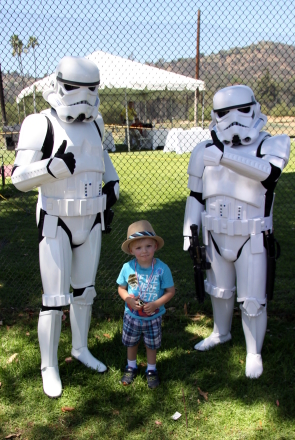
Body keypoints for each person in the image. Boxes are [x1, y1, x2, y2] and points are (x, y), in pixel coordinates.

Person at [11, 56, 120, 398]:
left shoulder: (97, 124)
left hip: (90, 219)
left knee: (85, 292)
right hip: (56, 220)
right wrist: (52, 168)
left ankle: (80, 348)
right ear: (59, 85)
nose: (84, 96)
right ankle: (49, 365)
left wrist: (112, 186)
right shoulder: (39, 123)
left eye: (91, 89)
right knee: (54, 299)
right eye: (76, 88)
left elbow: (103, 161)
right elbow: (18, 178)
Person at [183, 85, 290, 379]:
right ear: (215, 116)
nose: (233, 119)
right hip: (214, 234)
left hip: (252, 237)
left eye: (241, 110)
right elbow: (195, 194)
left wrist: (225, 156)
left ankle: (253, 352)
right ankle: (221, 332)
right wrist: (188, 231)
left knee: (253, 300)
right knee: (219, 290)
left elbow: (270, 174)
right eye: (224, 113)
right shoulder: (203, 151)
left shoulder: (272, 143)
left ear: (254, 108)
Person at [117, 220, 175, 388]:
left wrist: (157, 303)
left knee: (151, 344)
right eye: (138, 248)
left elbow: (170, 291)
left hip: (153, 316)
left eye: (148, 246)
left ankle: (151, 369)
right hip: (132, 315)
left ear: (155, 246)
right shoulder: (128, 268)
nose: (144, 251)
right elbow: (121, 288)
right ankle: (131, 366)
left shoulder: (162, 269)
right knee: (131, 342)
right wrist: (128, 299)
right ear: (131, 250)